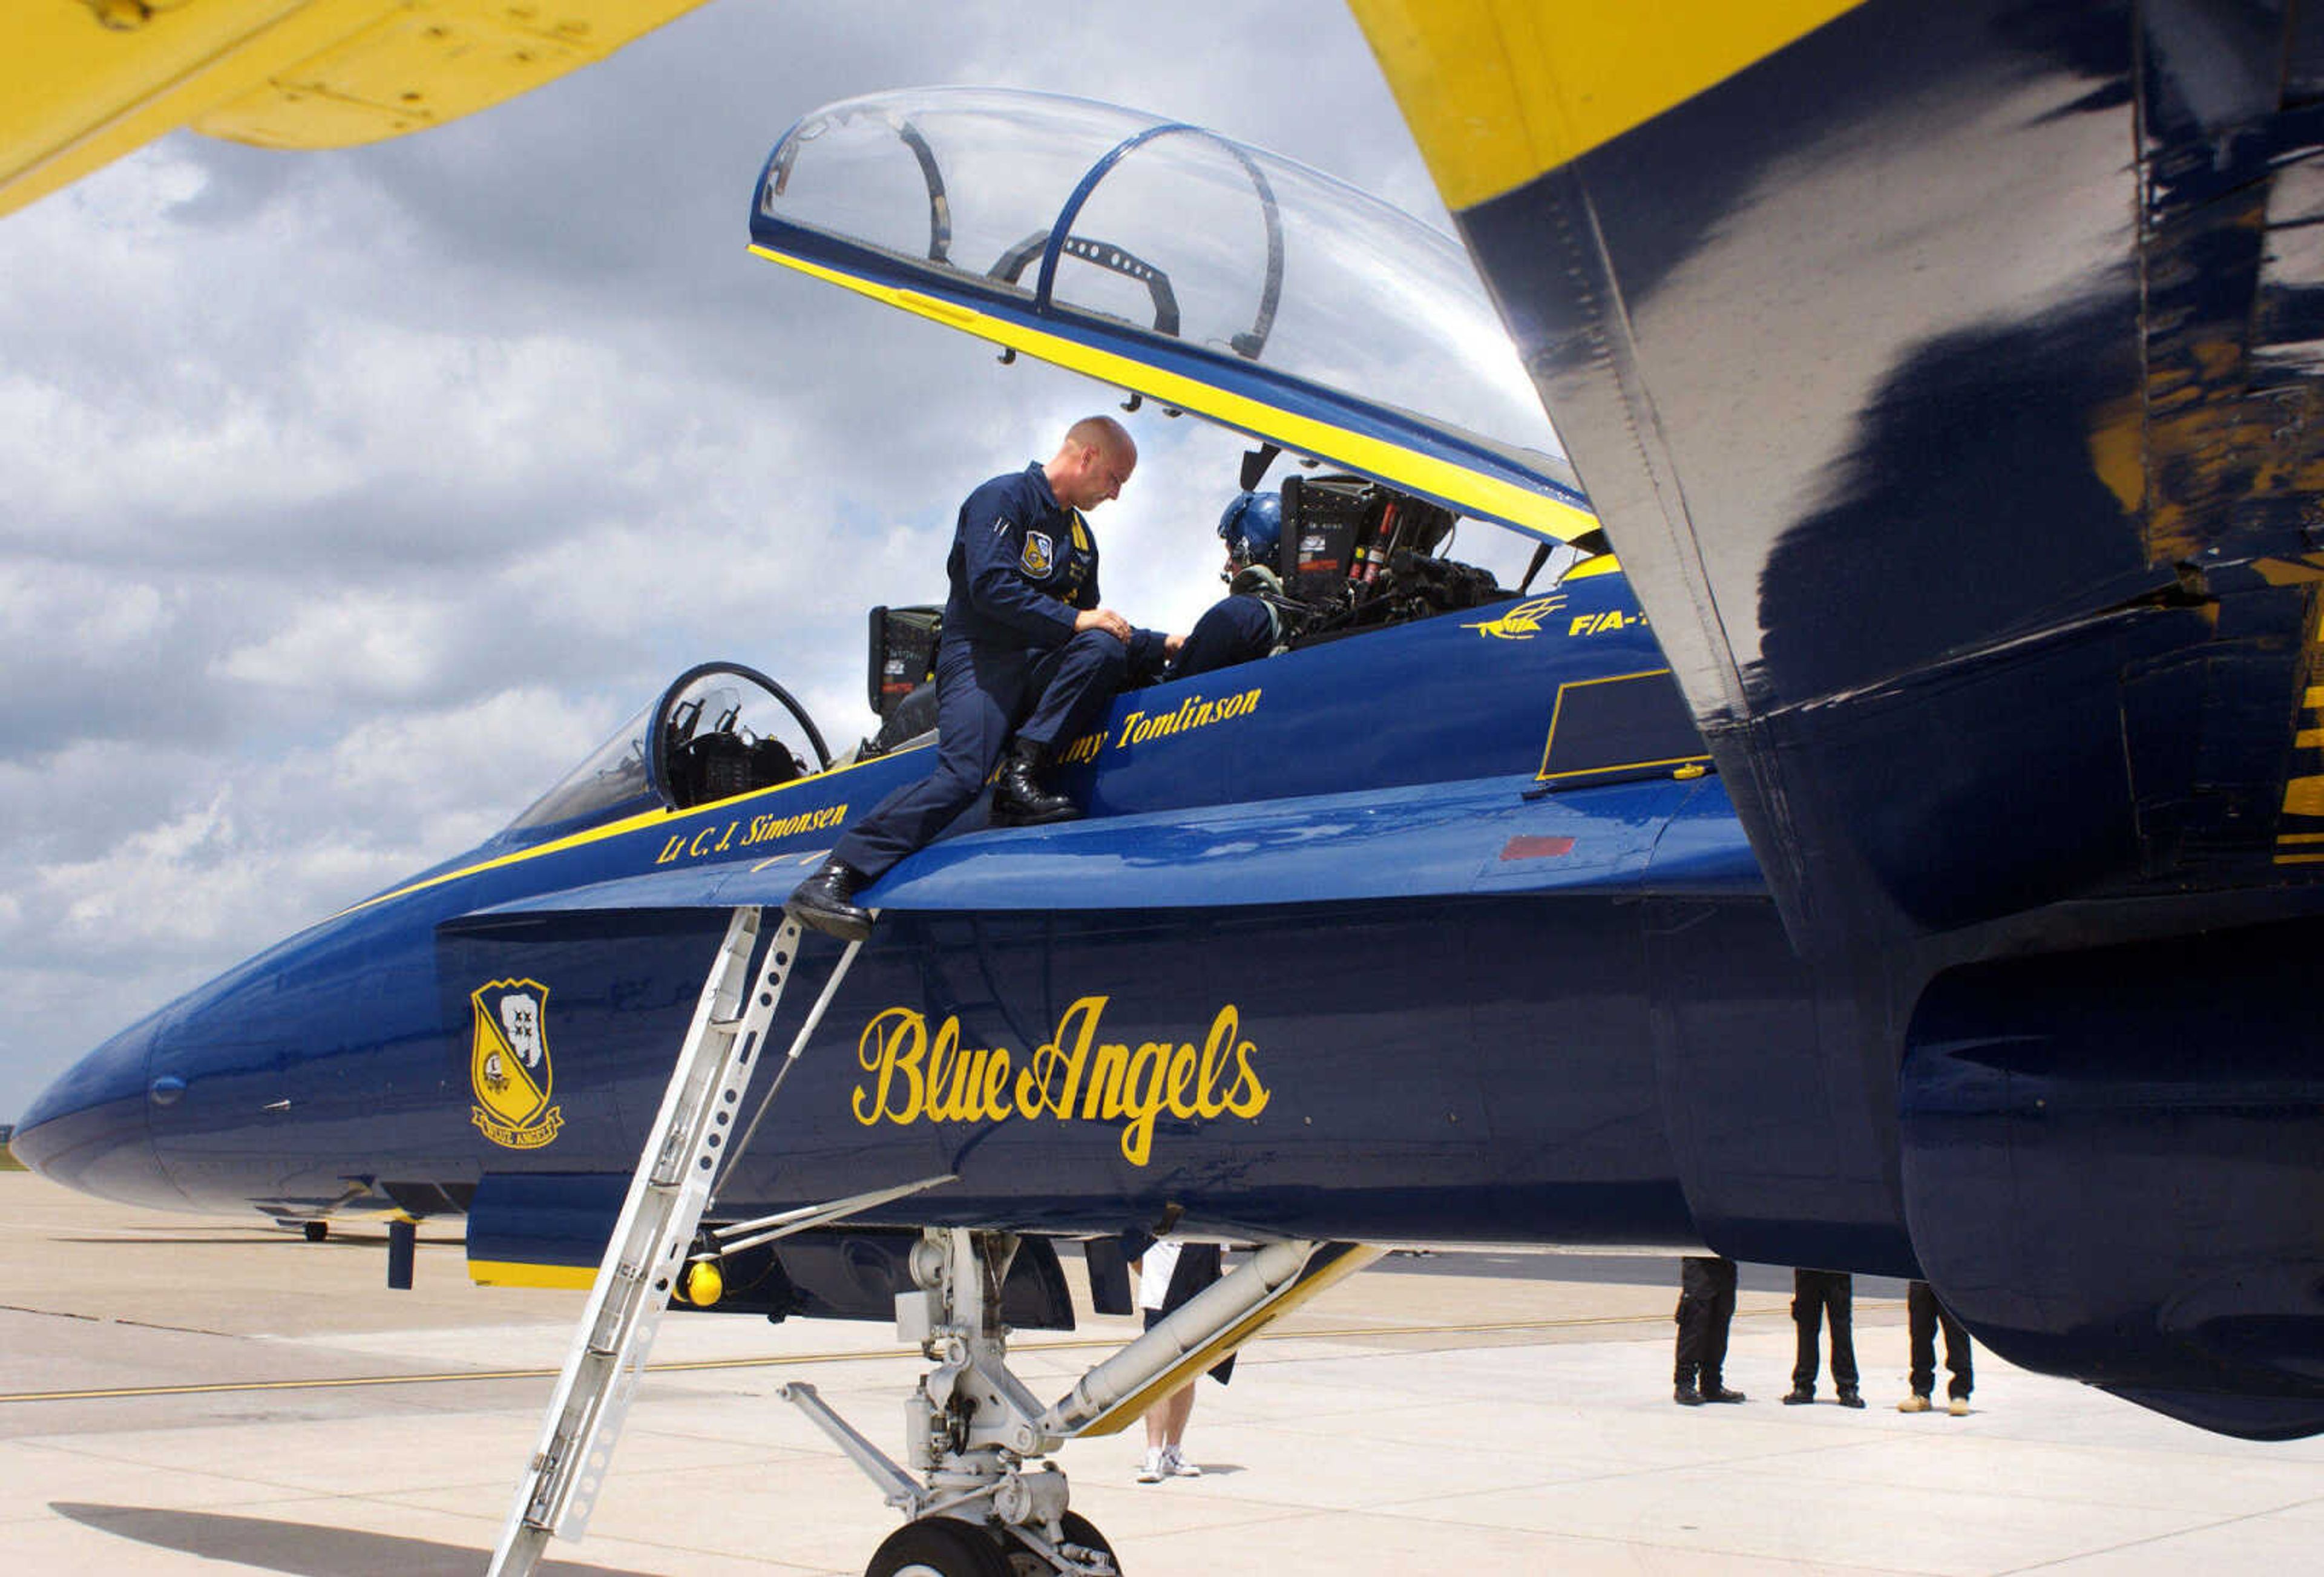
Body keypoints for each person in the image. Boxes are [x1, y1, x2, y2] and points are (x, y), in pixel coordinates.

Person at [787, 416, 1174, 941]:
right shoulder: (1003, 498)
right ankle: (835, 875)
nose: (1116, 494)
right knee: (964, 776)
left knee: (1105, 648)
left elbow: (1090, 627)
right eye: (1115, 479)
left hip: (1039, 663)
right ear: (1087, 458)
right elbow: (990, 588)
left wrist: (1164, 643)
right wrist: (1078, 622)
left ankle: (1023, 774)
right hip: (980, 659)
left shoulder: (1081, 540)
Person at [1131, 1234, 1233, 1482]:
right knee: (1158, 1376)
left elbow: (1219, 1251)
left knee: (1187, 1377)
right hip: (1159, 1301)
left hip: (1193, 1298)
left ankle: (1173, 1451)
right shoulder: (1155, 1211)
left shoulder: (1205, 1216)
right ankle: (1153, 1452)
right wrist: (1156, 1280)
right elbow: (1133, 1254)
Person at [1167, 490, 1284, 680]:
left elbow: (1173, 688)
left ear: (1245, 552)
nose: (1227, 565)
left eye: (1231, 554)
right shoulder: (1298, 612)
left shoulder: (1235, 615)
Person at [1783, 1268, 1862, 1407]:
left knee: (1841, 1327)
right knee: (1807, 1325)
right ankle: (1804, 1384)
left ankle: (1847, 1386)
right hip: (1807, 1265)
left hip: (1837, 1265)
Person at [1673, 1255, 1744, 1405]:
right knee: (1696, 1320)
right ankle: (1684, 1383)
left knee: (1720, 1321)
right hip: (1700, 1256)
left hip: (1725, 1257)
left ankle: (1712, 1384)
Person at [1900, 1279, 1974, 1415]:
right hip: (1920, 1274)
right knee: (1919, 1332)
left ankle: (1960, 1393)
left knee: (1956, 1334)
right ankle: (1921, 1392)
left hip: (1951, 1275)